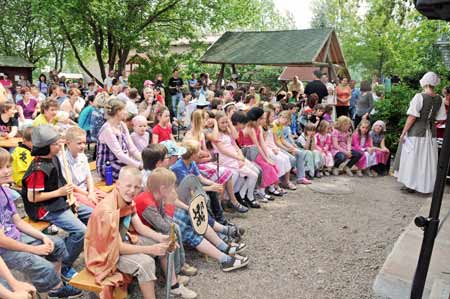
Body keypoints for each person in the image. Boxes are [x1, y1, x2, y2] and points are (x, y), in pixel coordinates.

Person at [84, 166, 197, 299]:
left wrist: (161, 238)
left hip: (121, 241)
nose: (132, 191)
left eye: (136, 187)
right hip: (104, 254)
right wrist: (150, 249)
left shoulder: (127, 200)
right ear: (118, 185)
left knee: (165, 246)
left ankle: (174, 286)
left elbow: (140, 227)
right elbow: (117, 248)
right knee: (146, 263)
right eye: (128, 186)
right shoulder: (107, 211)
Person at [0, 147, 83, 298]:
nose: (7, 171)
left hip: (14, 237)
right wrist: (33, 250)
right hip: (4, 250)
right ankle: (53, 288)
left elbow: (17, 221)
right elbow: (2, 241)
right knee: (44, 267)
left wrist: (43, 237)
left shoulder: (4, 191)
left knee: (56, 243)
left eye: (7, 166)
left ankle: (55, 285)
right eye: (1, 168)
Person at [22, 124, 93, 281]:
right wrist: (60, 193)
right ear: (46, 147)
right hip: (43, 208)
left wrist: (71, 200)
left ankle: (70, 251)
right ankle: (65, 264)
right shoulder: (38, 169)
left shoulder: (54, 158)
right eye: (55, 143)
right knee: (81, 231)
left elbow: (60, 181)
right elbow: (32, 198)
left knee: (94, 215)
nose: (60, 144)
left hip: (58, 201)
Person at [135, 166, 197, 278]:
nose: (174, 190)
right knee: (170, 233)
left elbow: (164, 218)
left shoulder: (157, 197)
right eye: (172, 187)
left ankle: (180, 264)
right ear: (163, 189)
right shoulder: (147, 203)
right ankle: (175, 273)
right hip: (139, 234)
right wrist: (169, 203)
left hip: (150, 227)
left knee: (176, 227)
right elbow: (164, 227)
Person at [394, 72, 447, 193]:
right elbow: (440, 118)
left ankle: (411, 185)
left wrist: (403, 132)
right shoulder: (439, 99)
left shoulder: (419, 96)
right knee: (426, 160)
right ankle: (424, 185)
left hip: (416, 132)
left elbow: (412, 117)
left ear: (425, 83)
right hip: (430, 134)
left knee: (413, 158)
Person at [96, 97, 143, 180]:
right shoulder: (107, 129)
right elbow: (119, 154)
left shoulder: (122, 125)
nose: (126, 112)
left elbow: (132, 148)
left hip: (120, 162)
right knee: (135, 176)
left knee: (141, 173)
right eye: (124, 110)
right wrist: (139, 165)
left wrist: (143, 160)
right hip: (108, 166)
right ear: (118, 112)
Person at [59, 127, 103, 208]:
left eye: (84, 143)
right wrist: (88, 194)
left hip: (87, 189)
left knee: (108, 200)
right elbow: (71, 185)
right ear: (68, 144)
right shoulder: (63, 160)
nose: (83, 146)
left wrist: (91, 192)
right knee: (96, 206)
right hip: (76, 192)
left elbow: (89, 177)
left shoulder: (82, 156)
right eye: (79, 143)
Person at [272, 111, 311, 185]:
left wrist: (291, 147)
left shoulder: (280, 125)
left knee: (300, 153)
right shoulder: (274, 125)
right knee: (291, 159)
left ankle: (301, 177)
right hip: (276, 147)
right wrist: (287, 149)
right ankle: (282, 179)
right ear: (281, 117)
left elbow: (282, 139)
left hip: (281, 145)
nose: (285, 123)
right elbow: (276, 142)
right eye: (285, 120)